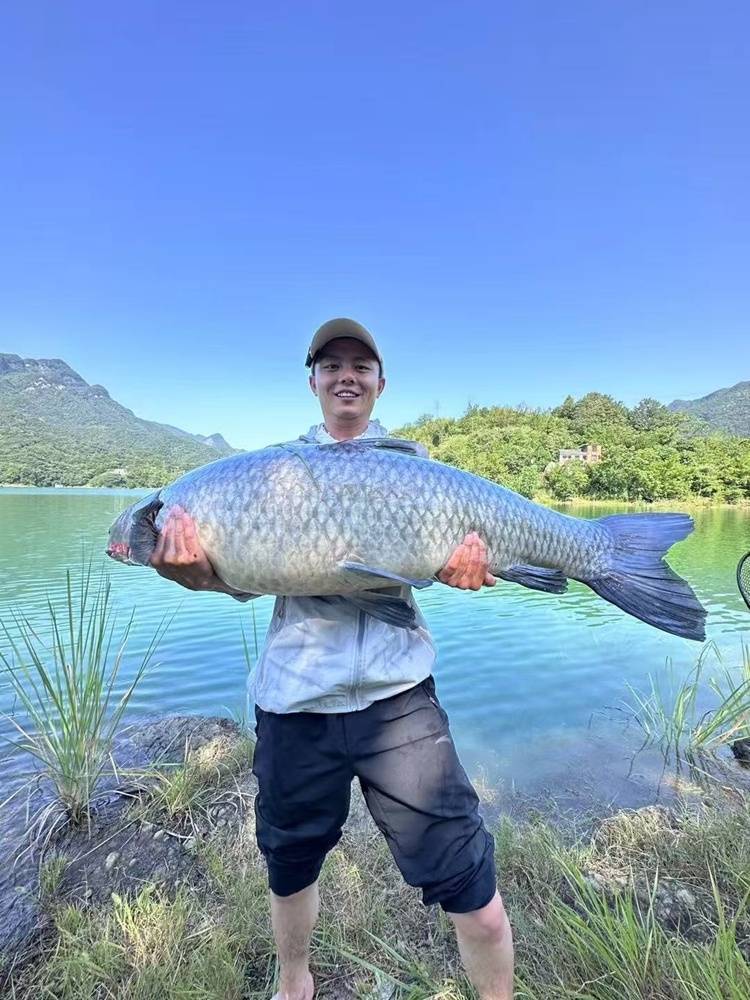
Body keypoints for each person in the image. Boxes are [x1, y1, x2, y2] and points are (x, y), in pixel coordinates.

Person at [150, 318, 515, 1000]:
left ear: (379, 383)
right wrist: (187, 568)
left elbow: (445, 564)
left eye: (362, 364)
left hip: (398, 701)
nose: (347, 374)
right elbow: (229, 583)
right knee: (290, 867)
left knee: (470, 881)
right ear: (314, 382)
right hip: (295, 702)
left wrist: (463, 566)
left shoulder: (416, 471)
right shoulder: (269, 474)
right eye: (331, 363)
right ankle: (295, 985)